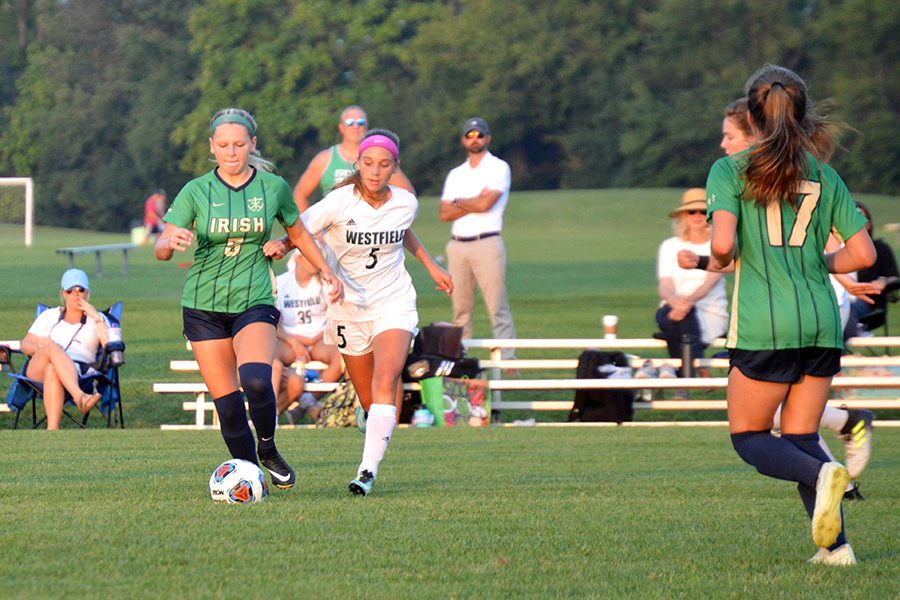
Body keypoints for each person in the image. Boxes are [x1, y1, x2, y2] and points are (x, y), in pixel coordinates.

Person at [703, 65, 877, 566]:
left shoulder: (731, 170)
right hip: (821, 321)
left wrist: (719, 260)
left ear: (752, 117)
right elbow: (863, 254)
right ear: (800, 113)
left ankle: (824, 476)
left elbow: (721, 245)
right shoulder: (825, 175)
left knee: (751, 438)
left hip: (765, 323)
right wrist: (819, 263)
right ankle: (836, 550)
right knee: (801, 436)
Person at [155, 107, 343, 490]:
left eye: (239, 144)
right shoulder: (196, 190)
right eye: (223, 145)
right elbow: (161, 245)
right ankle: (246, 474)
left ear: (252, 144)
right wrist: (169, 243)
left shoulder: (272, 187)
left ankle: (269, 448)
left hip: (253, 298)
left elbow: (300, 233)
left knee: (256, 380)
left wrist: (324, 269)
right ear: (212, 146)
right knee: (226, 405)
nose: (231, 151)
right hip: (203, 305)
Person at [287, 128, 452, 496]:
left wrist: (430, 266)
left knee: (386, 380)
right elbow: (301, 229)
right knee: (369, 401)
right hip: (348, 308)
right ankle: (374, 422)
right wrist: (280, 244)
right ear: (357, 164)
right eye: (368, 164)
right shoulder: (338, 202)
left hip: (393, 302)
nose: (375, 171)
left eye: (384, 165)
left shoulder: (406, 202)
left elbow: (403, 231)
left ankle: (366, 472)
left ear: (395, 168)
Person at [439, 117, 517, 360]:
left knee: (498, 308)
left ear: (488, 138)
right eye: (470, 135)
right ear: (464, 140)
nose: (475, 139)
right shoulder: (456, 174)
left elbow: (486, 204)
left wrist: (459, 202)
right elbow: (444, 213)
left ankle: (508, 361)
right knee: (460, 311)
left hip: (487, 243)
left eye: (479, 135)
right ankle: (459, 361)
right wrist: (472, 201)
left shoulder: (498, 167)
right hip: (457, 244)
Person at [643, 188, 728, 388]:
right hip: (673, 308)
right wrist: (676, 301)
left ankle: (681, 381)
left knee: (677, 321)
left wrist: (686, 302)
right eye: (692, 212)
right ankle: (698, 370)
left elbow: (709, 283)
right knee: (673, 315)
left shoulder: (720, 245)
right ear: (683, 216)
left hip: (709, 310)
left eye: (702, 211)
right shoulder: (669, 246)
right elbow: (665, 285)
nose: (697, 216)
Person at [19, 269, 107, 430]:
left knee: (54, 368)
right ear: (63, 294)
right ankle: (80, 397)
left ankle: (52, 431)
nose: (76, 294)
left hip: (78, 372)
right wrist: (40, 344)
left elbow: (110, 347)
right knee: (51, 348)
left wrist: (96, 317)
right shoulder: (49, 316)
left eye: (81, 290)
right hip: (38, 370)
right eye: (70, 290)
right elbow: (24, 345)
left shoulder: (98, 319)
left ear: (88, 293)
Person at [292, 105, 415, 212]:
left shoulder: (382, 159)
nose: (356, 126)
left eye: (360, 122)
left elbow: (408, 196)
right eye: (350, 122)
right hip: (331, 232)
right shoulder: (324, 159)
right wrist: (310, 229)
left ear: (367, 125)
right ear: (341, 127)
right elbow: (299, 194)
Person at [273, 249, 344, 423]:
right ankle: (269, 411)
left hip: (320, 339)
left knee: (343, 356)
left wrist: (314, 338)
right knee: (270, 358)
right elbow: (274, 324)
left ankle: (307, 400)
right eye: (309, 256)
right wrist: (293, 341)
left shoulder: (324, 284)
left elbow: (336, 317)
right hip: (290, 340)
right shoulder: (281, 283)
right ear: (297, 258)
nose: (315, 260)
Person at [847, 200, 900, 336]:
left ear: (869, 224)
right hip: (840, 299)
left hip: (868, 303)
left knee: (845, 310)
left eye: (861, 219)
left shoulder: (880, 249)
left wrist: (884, 282)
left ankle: (851, 332)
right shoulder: (836, 249)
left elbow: (894, 277)